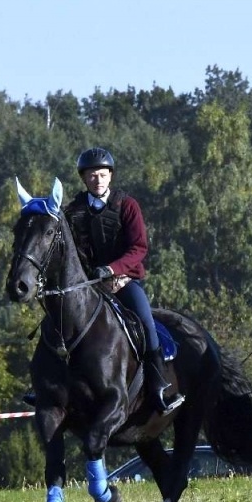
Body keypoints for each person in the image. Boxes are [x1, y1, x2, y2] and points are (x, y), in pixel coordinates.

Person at [64, 147, 182, 414]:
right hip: (88, 285)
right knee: (57, 322)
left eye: (102, 175)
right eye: (92, 176)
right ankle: (46, 387)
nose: (98, 180)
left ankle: (158, 386)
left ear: (110, 176)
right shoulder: (74, 210)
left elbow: (139, 247)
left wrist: (114, 270)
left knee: (146, 323)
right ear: (84, 179)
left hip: (124, 282)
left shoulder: (127, 205)